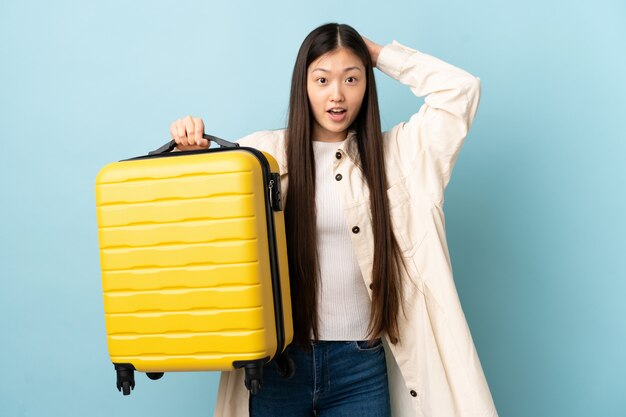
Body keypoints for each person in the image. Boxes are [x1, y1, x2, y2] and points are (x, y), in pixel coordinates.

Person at [169, 23, 497, 417]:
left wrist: (375, 53)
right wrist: (187, 151)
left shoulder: (401, 157)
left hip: (360, 366)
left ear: (367, 84)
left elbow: (461, 91)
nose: (337, 95)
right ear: (303, 84)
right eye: (322, 79)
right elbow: (200, 228)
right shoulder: (259, 155)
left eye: (351, 78)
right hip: (278, 364)